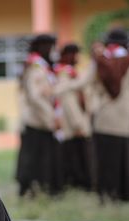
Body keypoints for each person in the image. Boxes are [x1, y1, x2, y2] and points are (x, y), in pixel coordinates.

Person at [92, 29, 129, 201]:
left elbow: (84, 81)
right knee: (121, 160)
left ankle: (106, 194)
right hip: (123, 119)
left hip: (104, 118)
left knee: (105, 161)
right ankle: (124, 193)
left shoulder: (101, 60)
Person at [16, 34, 64, 197]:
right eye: (51, 47)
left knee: (43, 159)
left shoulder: (42, 67)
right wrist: (51, 117)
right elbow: (35, 97)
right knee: (32, 160)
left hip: (42, 120)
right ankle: (28, 190)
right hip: (36, 121)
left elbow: (48, 92)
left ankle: (43, 188)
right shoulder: (36, 67)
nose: (53, 51)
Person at [55, 43, 94, 191]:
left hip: (78, 118)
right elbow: (68, 100)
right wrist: (78, 123)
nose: (78, 57)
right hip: (72, 122)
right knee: (74, 154)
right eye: (76, 54)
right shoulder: (64, 73)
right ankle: (76, 182)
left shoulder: (72, 72)